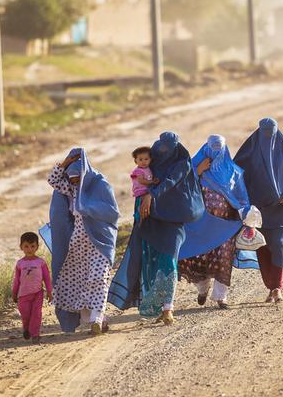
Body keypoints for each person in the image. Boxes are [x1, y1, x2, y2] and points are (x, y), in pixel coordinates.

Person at [110, 132, 204, 325]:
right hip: (150, 220)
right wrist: (142, 200)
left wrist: (151, 195)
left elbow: (170, 181)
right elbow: (139, 180)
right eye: (160, 148)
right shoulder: (152, 162)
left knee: (168, 262)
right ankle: (158, 306)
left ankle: (168, 307)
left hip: (173, 221)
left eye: (167, 148)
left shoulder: (182, 164)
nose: (164, 152)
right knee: (151, 263)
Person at [47, 148, 120, 335]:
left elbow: (112, 212)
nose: (74, 184)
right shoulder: (71, 189)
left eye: (77, 179)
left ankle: (97, 317)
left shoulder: (100, 184)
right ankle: (98, 319)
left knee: (99, 278)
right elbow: (53, 181)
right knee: (82, 283)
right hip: (79, 244)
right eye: (71, 180)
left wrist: (88, 208)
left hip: (101, 241)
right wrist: (64, 164)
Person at [178, 135, 252, 309]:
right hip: (200, 225)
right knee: (197, 257)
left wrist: (247, 215)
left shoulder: (234, 172)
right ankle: (202, 288)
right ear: (206, 148)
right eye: (213, 149)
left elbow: (242, 197)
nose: (215, 153)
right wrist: (197, 171)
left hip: (226, 226)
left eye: (219, 150)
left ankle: (221, 297)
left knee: (223, 258)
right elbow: (181, 187)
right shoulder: (193, 168)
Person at [234, 118, 283, 303]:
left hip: (280, 207)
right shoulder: (249, 151)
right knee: (261, 247)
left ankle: (277, 287)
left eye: (271, 132)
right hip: (256, 209)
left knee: (277, 243)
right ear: (259, 131)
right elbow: (236, 174)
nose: (268, 136)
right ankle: (270, 286)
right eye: (265, 132)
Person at [12, 232, 52, 342]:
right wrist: (14, 293)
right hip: (23, 295)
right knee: (26, 315)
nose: (29, 249)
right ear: (21, 247)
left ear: (37, 247)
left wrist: (49, 291)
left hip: (37, 293)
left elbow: (47, 278)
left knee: (36, 314)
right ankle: (26, 329)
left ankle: (35, 334)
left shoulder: (40, 262)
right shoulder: (20, 264)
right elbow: (16, 280)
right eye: (26, 246)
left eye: (32, 246)